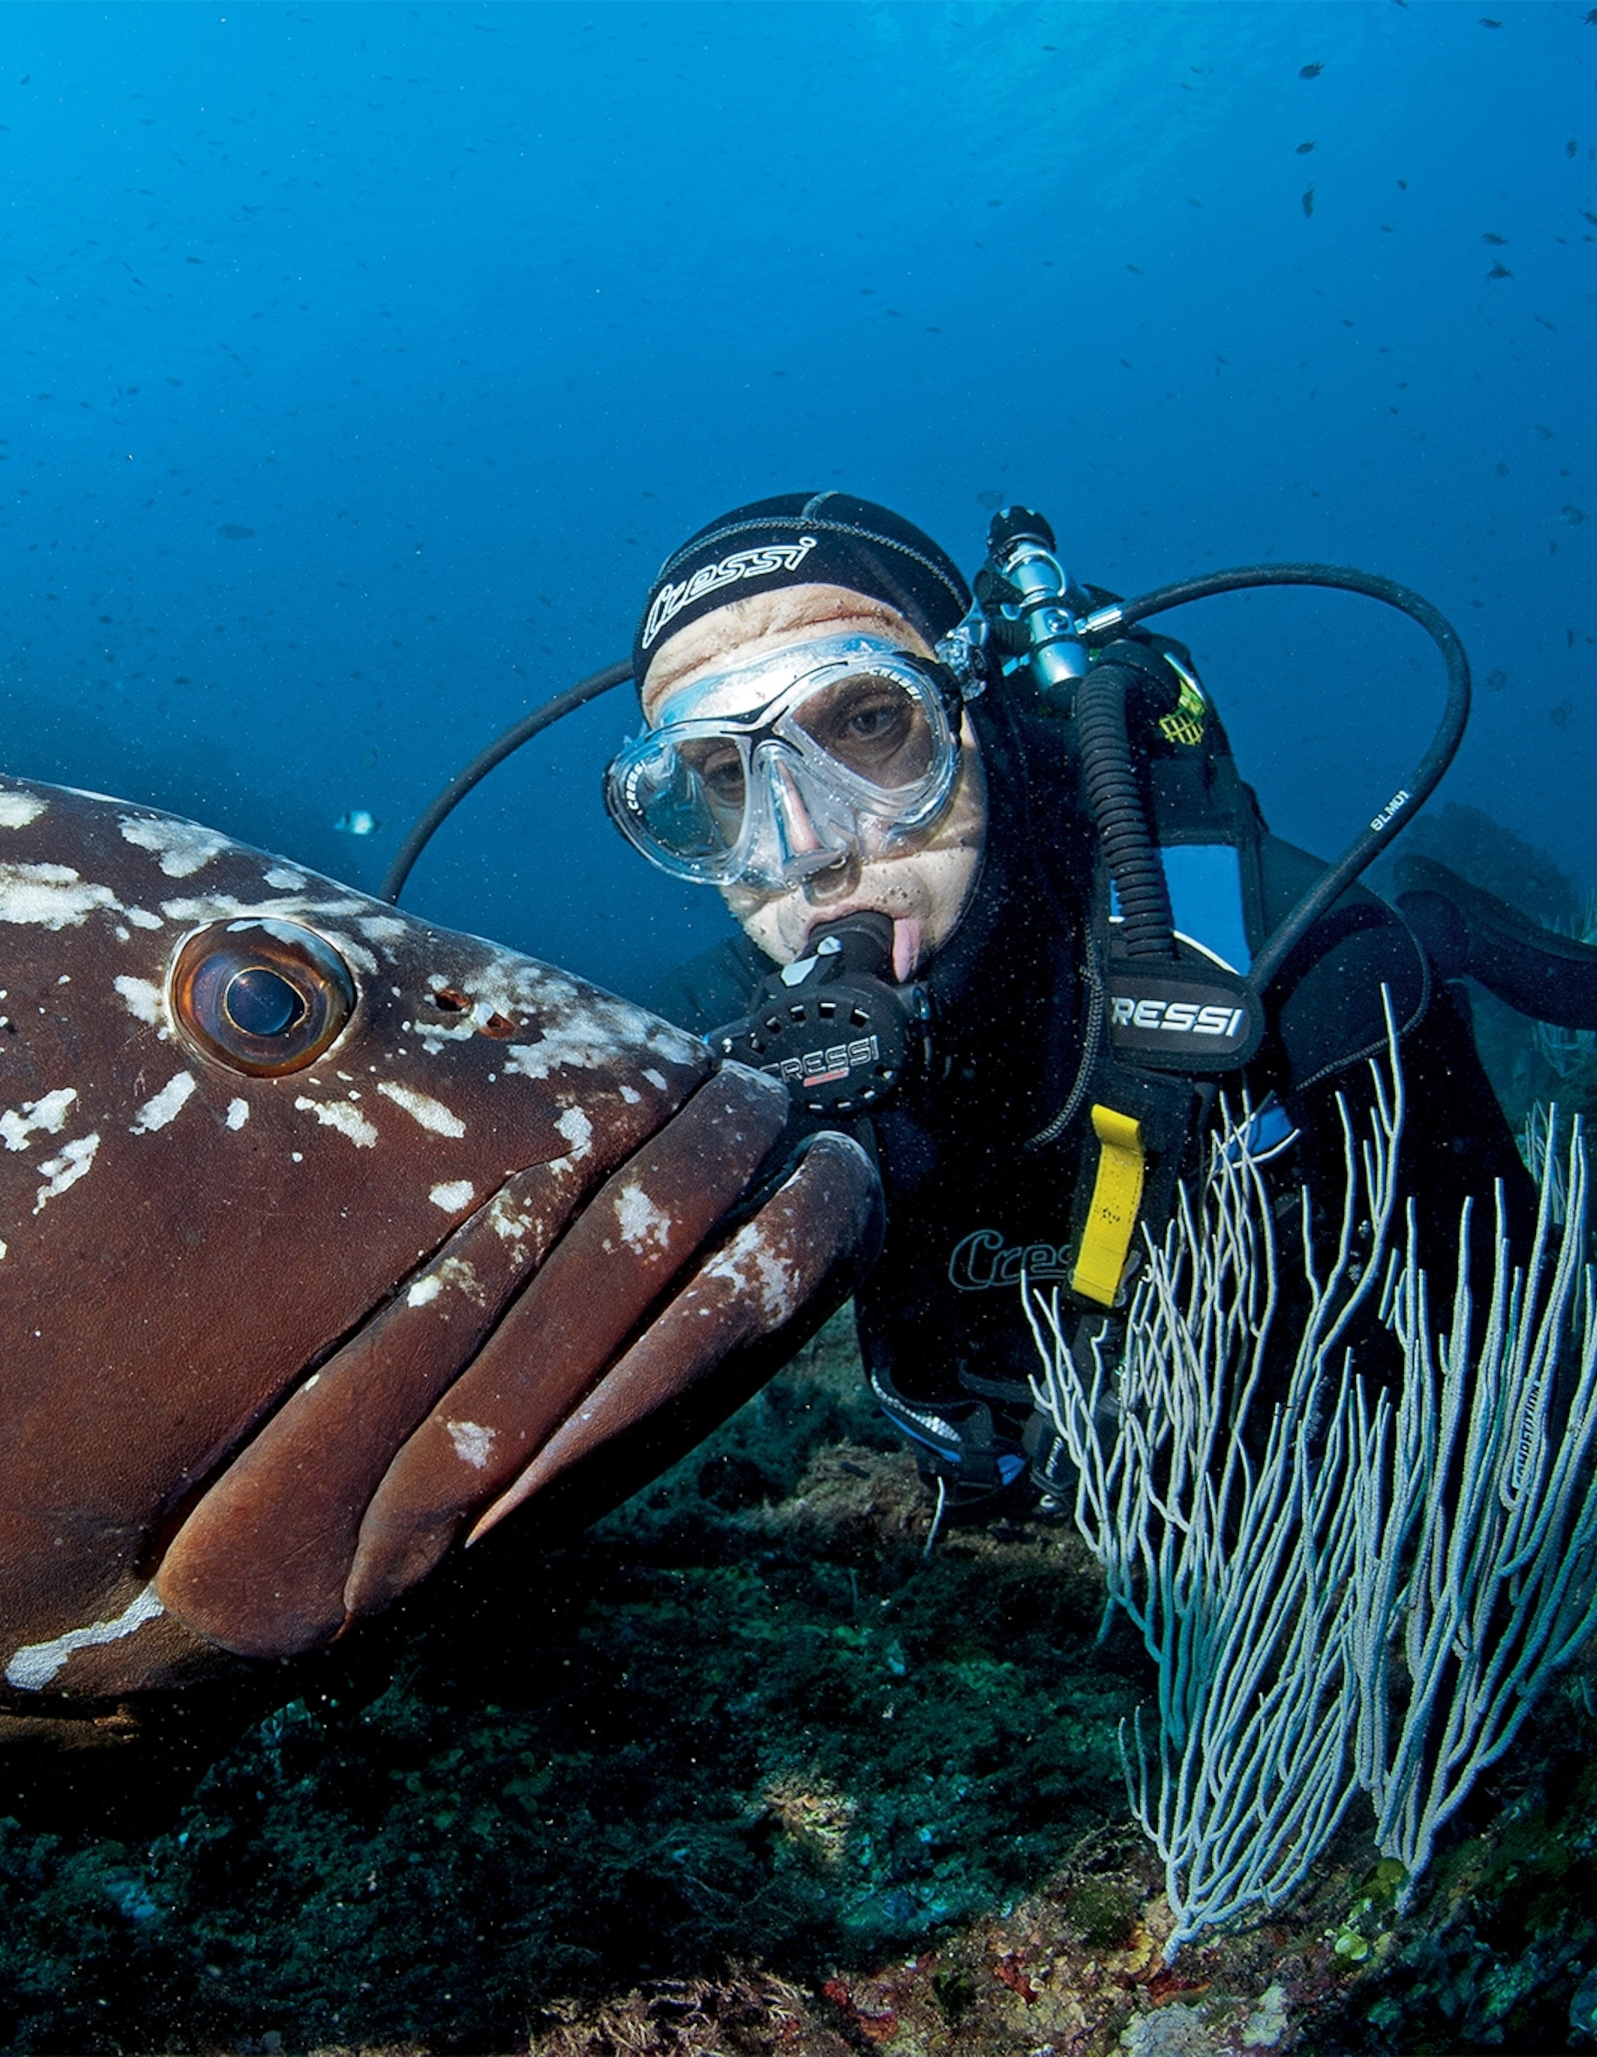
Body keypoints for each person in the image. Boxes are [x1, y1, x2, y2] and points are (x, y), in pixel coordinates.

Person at [607, 493, 1544, 1521]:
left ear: (974, 709)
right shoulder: (691, 1051)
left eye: (869, 723)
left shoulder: (1308, 969)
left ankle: (1456, 926)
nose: (806, 848)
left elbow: (1523, 1362)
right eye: (721, 777)